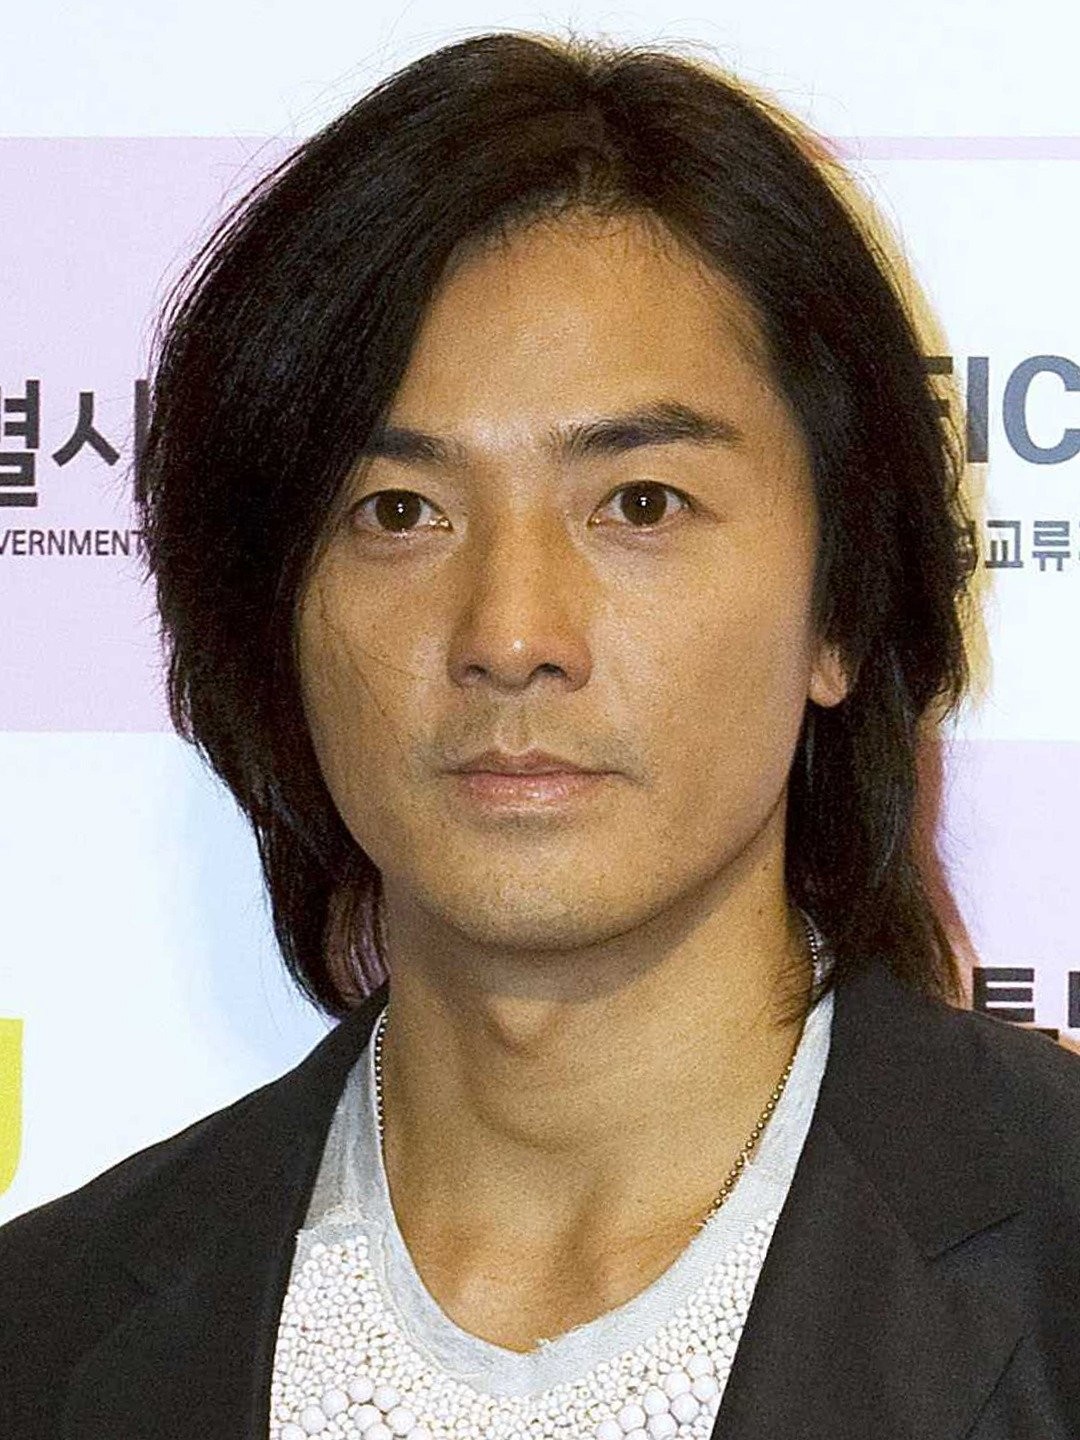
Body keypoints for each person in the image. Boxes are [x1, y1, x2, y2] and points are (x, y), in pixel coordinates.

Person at [2, 29, 1078, 1440]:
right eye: (400, 513)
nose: (510, 633)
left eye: (640, 504)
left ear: (841, 607)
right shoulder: (48, 1333)